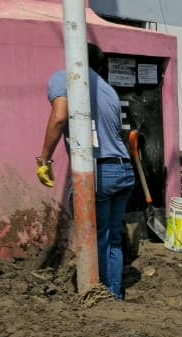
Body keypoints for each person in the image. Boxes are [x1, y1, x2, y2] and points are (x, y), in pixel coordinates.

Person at [37, 43, 135, 299]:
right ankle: (114, 295)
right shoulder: (109, 90)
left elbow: (59, 117)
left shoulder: (67, 78)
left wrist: (44, 159)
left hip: (99, 172)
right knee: (112, 238)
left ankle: (96, 294)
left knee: (97, 237)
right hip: (123, 171)